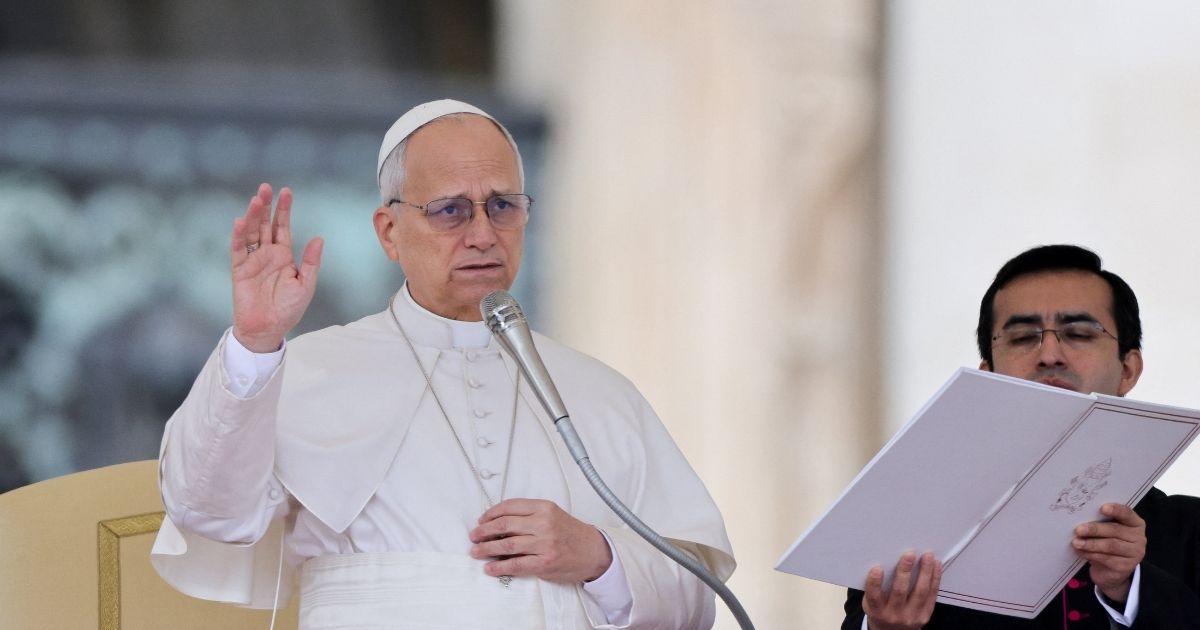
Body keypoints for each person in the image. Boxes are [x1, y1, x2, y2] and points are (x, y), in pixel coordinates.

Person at [151, 99, 734, 629]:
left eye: (502, 206)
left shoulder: (599, 392)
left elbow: (697, 602)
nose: (483, 234)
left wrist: (600, 558)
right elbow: (209, 513)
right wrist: (255, 341)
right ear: (389, 232)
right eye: (451, 211)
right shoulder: (307, 370)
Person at [842, 244, 1200, 629]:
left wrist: (1131, 587)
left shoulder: (1189, 530)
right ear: (988, 376)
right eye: (1022, 337)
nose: (1049, 354)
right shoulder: (909, 537)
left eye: (1078, 333)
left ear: (1128, 369)